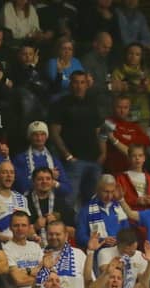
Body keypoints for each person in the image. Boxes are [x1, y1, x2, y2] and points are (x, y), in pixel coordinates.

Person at [49, 71, 104, 207]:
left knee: (94, 204)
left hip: (94, 160)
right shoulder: (61, 104)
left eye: (82, 82)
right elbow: (54, 133)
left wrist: (103, 153)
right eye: (75, 82)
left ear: (87, 85)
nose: (79, 86)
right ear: (70, 84)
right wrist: (67, 156)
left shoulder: (93, 103)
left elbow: (100, 130)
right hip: (73, 161)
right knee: (69, 201)